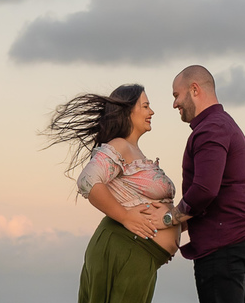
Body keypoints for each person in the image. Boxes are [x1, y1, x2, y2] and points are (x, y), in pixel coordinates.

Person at [45, 83, 179, 303]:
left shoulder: (134, 152)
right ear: (127, 112)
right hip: (126, 248)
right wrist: (126, 216)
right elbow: (87, 180)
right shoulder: (120, 146)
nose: (151, 112)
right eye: (145, 106)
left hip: (141, 253)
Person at [153, 65, 245, 303]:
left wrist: (167, 219)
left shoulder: (211, 128)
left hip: (224, 245)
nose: (174, 104)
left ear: (194, 89)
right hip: (241, 239)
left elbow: (204, 191)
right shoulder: (222, 124)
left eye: (176, 95)